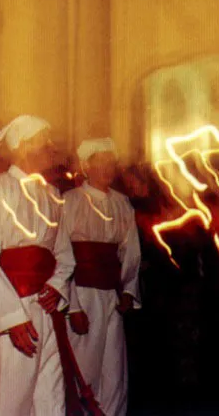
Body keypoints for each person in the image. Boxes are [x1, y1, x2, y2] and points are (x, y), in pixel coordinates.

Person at [0, 115, 76, 416]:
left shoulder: (54, 196)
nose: (52, 149)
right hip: (9, 315)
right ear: (23, 147)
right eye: (45, 142)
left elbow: (64, 255)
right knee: (6, 400)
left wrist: (57, 286)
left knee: (49, 397)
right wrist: (10, 315)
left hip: (45, 313)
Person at [61, 138, 141, 416]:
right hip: (82, 294)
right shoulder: (70, 202)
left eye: (111, 162)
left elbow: (131, 251)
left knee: (114, 370)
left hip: (111, 295)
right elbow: (62, 255)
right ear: (87, 166)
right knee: (85, 366)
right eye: (101, 162)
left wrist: (129, 289)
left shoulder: (122, 204)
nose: (107, 168)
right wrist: (72, 306)